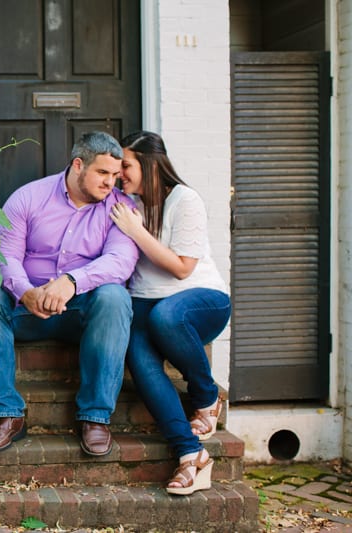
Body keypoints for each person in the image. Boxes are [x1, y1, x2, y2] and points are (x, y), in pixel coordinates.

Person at [0, 131, 139, 456]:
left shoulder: (120, 207)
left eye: (115, 175)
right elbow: (3, 254)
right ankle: (6, 414)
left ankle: (95, 418)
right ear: (78, 165)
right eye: (102, 173)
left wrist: (72, 282)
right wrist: (25, 292)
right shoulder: (29, 197)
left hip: (81, 314)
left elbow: (120, 261)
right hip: (26, 312)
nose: (110, 183)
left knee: (115, 297)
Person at [109, 130, 231, 495]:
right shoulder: (124, 201)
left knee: (166, 316)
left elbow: (181, 268)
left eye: (126, 166)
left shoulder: (184, 199)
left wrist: (135, 229)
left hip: (200, 300)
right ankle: (191, 455)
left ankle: (206, 395)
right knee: (138, 356)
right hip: (146, 302)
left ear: (149, 163)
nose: (120, 175)